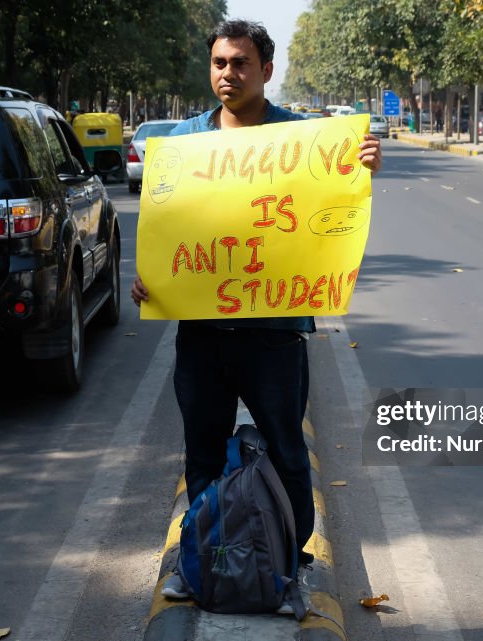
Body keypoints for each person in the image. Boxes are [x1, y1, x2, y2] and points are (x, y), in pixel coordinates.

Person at [130, 19, 382, 602]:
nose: (228, 74)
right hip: (203, 336)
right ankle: (199, 568)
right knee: (202, 457)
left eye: (241, 63)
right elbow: (168, 234)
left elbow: (337, 212)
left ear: (266, 70)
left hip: (275, 338)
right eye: (220, 63)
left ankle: (290, 568)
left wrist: (364, 165)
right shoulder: (185, 143)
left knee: (289, 454)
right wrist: (152, 281)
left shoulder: (305, 141)